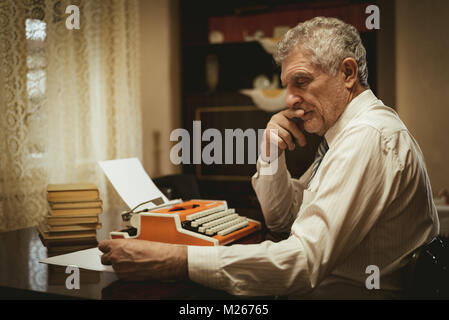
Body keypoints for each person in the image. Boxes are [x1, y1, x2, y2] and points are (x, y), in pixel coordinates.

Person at [99, 17, 439, 299]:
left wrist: (175, 259)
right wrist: (271, 152)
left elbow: (303, 262)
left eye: (302, 82)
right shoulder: (347, 134)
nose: (289, 100)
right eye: (287, 86)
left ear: (347, 74)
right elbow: (283, 221)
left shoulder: (368, 138)